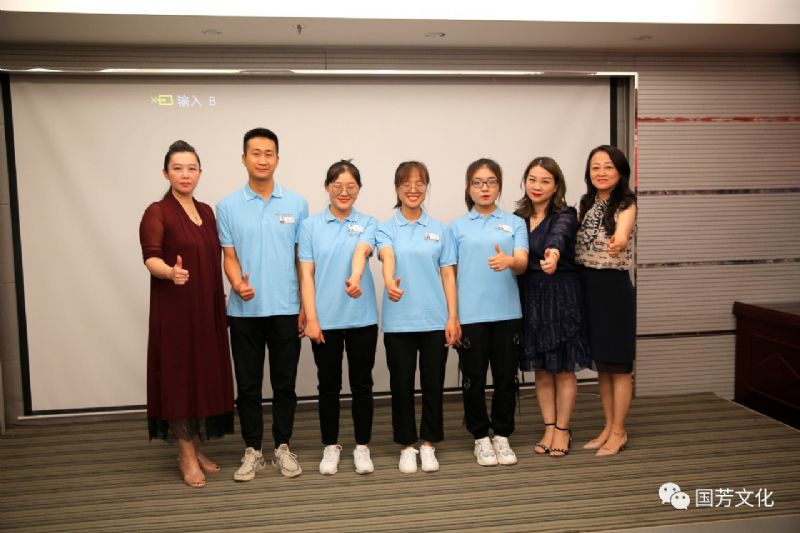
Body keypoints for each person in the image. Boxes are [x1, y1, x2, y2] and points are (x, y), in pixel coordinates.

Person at [139, 140, 235, 488]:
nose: (185, 174)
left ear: (200, 173)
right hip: (176, 312)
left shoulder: (206, 212)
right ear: (166, 173)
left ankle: (195, 447)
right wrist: (170, 272)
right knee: (180, 379)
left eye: (191, 168)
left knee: (200, 376)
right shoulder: (157, 211)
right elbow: (150, 257)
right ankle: (185, 456)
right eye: (177, 168)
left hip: (207, 309)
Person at [216, 128, 308, 480]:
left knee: (285, 385)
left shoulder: (297, 204)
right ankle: (252, 449)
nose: (262, 159)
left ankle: (283, 446)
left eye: (269, 153)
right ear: (244, 159)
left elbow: (302, 259)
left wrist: (305, 306)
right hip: (245, 312)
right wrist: (236, 283)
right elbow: (229, 255)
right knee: (248, 386)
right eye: (255, 153)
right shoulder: (227, 206)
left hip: (286, 308)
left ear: (277, 159)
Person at [377, 161, 460, 474]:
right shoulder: (386, 228)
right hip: (399, 321)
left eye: (419, 183)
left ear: (426, 187)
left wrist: (452, 317)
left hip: (434, 320)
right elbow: (387, 255)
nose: (413, 189)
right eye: (406, 184)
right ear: (397, 188)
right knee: (401, 386)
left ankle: (428, 444)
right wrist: (389, 281)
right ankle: (406, 445)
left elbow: (448, 275)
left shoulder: (440, 229)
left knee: (433, 384)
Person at [298, 160, 379, 476]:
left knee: (362, 385)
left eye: (351, 187)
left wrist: (355, 277)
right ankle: (330, 445)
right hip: (325, 320)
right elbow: (306, 274)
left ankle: (362, 446)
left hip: (362, 318)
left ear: (359, 189)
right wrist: (312, 318)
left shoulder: (369, 222)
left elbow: (362, 251)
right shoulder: (310, 226)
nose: (344, 192)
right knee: (328, 386)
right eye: (337, 186)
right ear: (327, 187)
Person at [449, 158, 529, 467]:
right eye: (478, 182)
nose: (485, 188)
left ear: (499, 186)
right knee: (473, 379)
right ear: (468, 187)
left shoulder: (515, 223)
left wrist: (509, 261)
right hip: (471, 315)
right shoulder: (456, 227)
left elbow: (522, 263)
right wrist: (453, 316)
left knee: (506, 377)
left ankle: (503, 435)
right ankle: (480, 437)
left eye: (491, 181)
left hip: (507, 313)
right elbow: (449, 274)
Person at [514, 157, 591, 458]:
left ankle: (563, 428)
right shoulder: (517, 218)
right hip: (531, 297)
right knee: (543, 370)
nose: (537, 186)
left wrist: (554, 256)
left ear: (556, 185)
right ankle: (548, 426)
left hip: (561, 296)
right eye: (532, 179)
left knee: (563, 367)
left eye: (545, 181)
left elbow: (558, 237)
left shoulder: (565, 214)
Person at [575, 145, 637, 458]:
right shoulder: (585, 203)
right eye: (595, 167)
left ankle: (619, 430)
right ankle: (608, 426)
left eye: (608, 167)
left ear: (620, 171)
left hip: (613, 288)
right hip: (588, 287)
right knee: (603, 365)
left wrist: (619, 242)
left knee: (620, 366)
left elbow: (622, 234)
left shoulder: (626, 203)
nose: (601, 172)